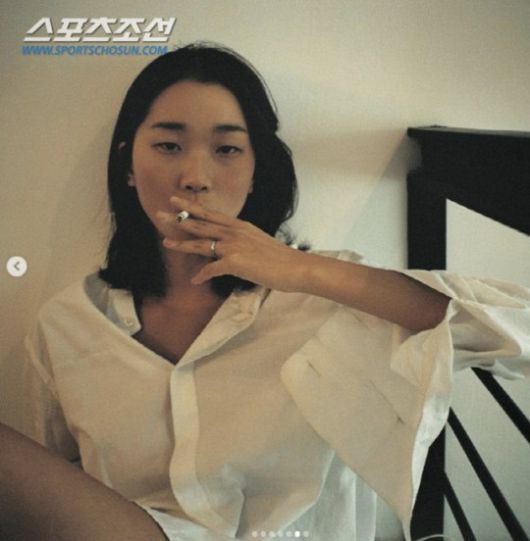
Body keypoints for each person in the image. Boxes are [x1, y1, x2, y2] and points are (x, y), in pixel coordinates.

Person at [1, 43, 529, 541]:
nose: (195, 177)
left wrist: (299, 269)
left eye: (227, 149)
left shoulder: (332, 301)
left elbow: (518, 332)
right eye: (168, 145)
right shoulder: (66, 325)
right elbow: (62, 489)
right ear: (128, 168)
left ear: (257, 173)